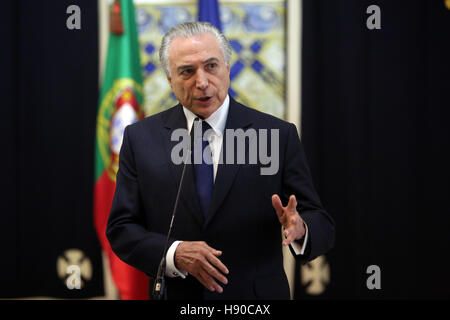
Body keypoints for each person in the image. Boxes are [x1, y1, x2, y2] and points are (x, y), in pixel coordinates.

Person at [106, 21, 335, 300]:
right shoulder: (140, 139)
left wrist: (301, 228)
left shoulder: (277, 135)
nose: (201, 82)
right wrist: (174, 253)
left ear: (228, 68)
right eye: (187, 71)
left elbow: (320, 221)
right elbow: (122, 229)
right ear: (170, 79)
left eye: (211, 66)